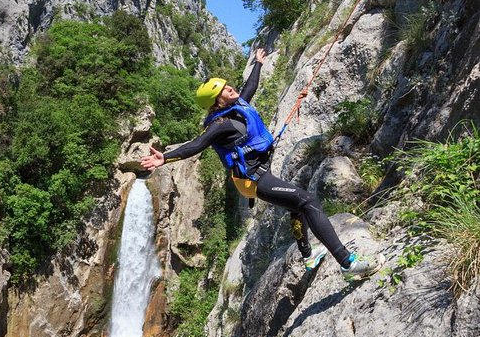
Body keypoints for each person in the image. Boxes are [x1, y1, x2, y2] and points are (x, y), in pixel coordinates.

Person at [140, 48, 384, 281]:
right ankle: (348, 264)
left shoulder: (237, 107)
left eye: (227, 85)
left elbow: (251, 86)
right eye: (223, 89)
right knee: (308, 201)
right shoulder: (220, 124)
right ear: (217, 102)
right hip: (253, 180)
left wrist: (258, 62)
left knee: (296, 206)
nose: (229, 88)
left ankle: (309, 256)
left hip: (259, 172)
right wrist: (165, 157)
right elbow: (196, 145)